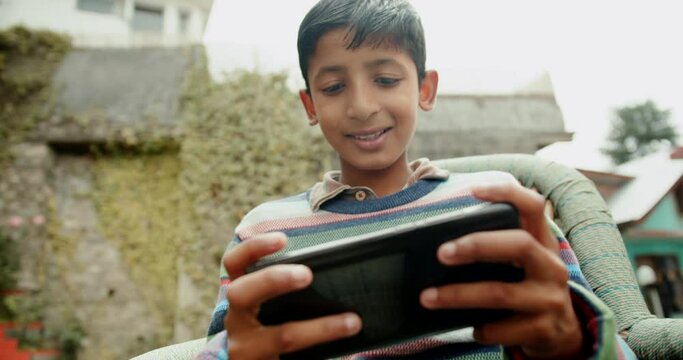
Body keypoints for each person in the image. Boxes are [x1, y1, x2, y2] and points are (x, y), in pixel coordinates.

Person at [196, 0, 636, 358]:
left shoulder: (498, 205)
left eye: (385, 79)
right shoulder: (263, 233)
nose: (362, 106)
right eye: (333, 88)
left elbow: (594, 332)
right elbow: (227, 343)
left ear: (425, 89)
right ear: (310, 105)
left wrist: (572, 341)